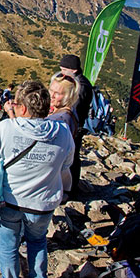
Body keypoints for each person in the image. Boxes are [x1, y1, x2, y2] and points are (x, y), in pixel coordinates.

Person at [0, 81, 74, 278]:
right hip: (43, 202)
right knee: (38, 241)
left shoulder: (6, 127)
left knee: (8, 244)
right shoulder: (63, 131)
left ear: (22, 108)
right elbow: (67, 164)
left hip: (10, 200)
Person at [59, 54, 92, 196]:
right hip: (73, 126)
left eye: (63, 70)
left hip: (74, 128)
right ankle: (68, 187)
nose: (61, 74)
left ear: (72, 69)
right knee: (70, 157)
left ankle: (71, 189)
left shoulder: (81, 86)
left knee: (71, 158)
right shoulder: (79, 82)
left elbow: (73, 109)